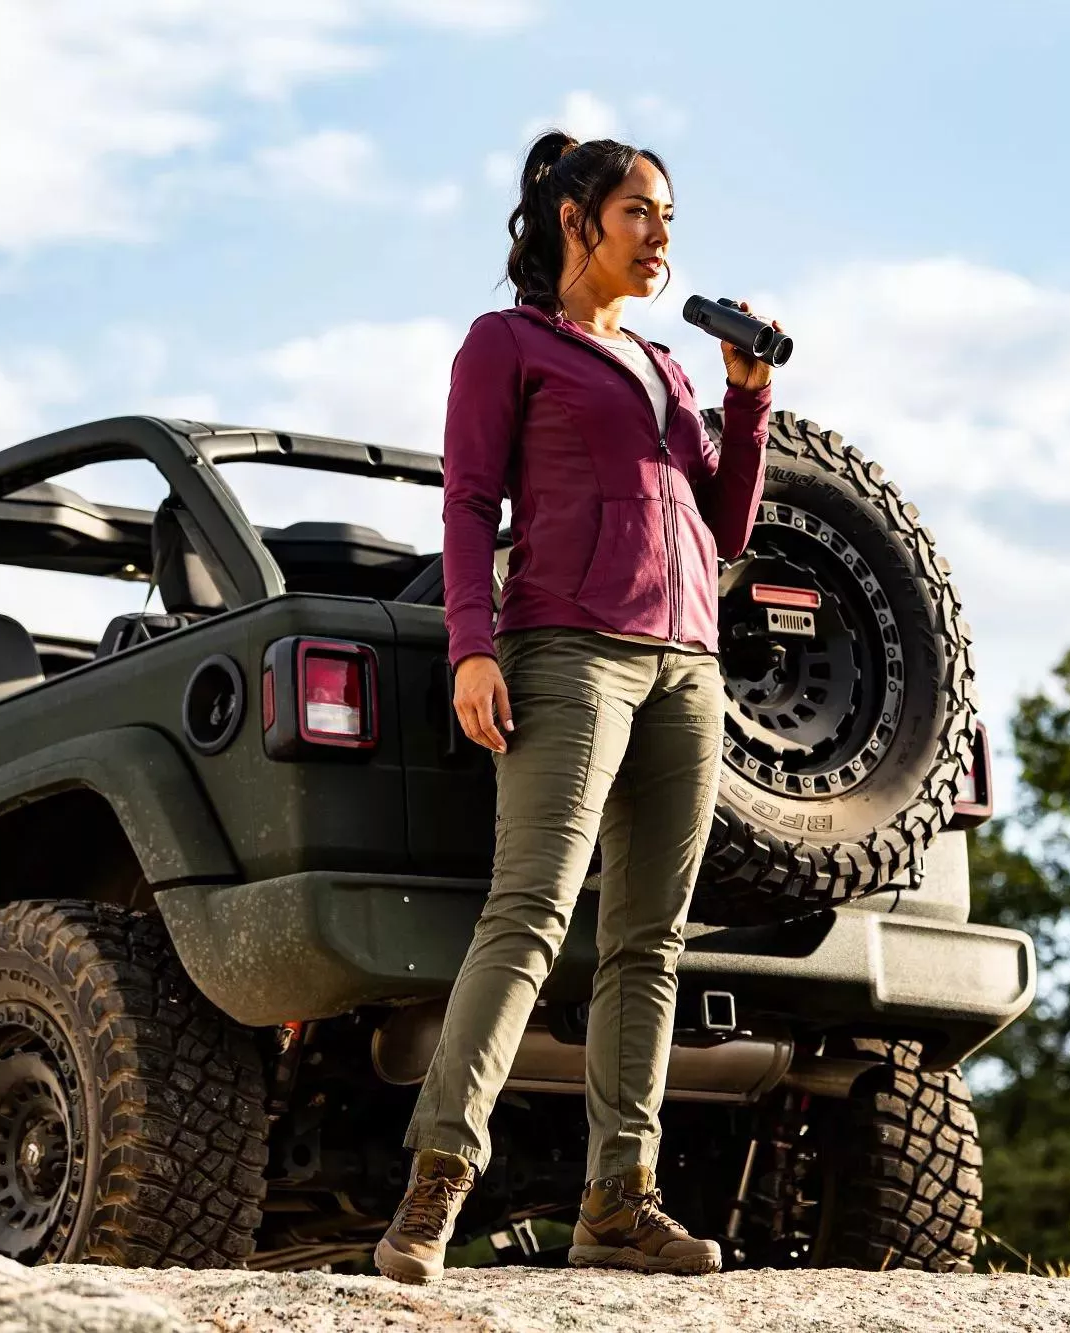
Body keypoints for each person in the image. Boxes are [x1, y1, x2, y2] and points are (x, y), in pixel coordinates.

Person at [372, 130, 777, 1285]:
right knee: (529, 916)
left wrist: (745, 401)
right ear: (574, 219)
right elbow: (466, 505)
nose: (658, 237)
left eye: (669, 219)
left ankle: (619, 1204)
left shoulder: (668, 366)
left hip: (685, 666)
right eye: (639, 212)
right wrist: (471, 646)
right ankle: (434, 1186)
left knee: (649, 941)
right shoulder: (505, 344)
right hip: (566, 651)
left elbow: (724, 527)